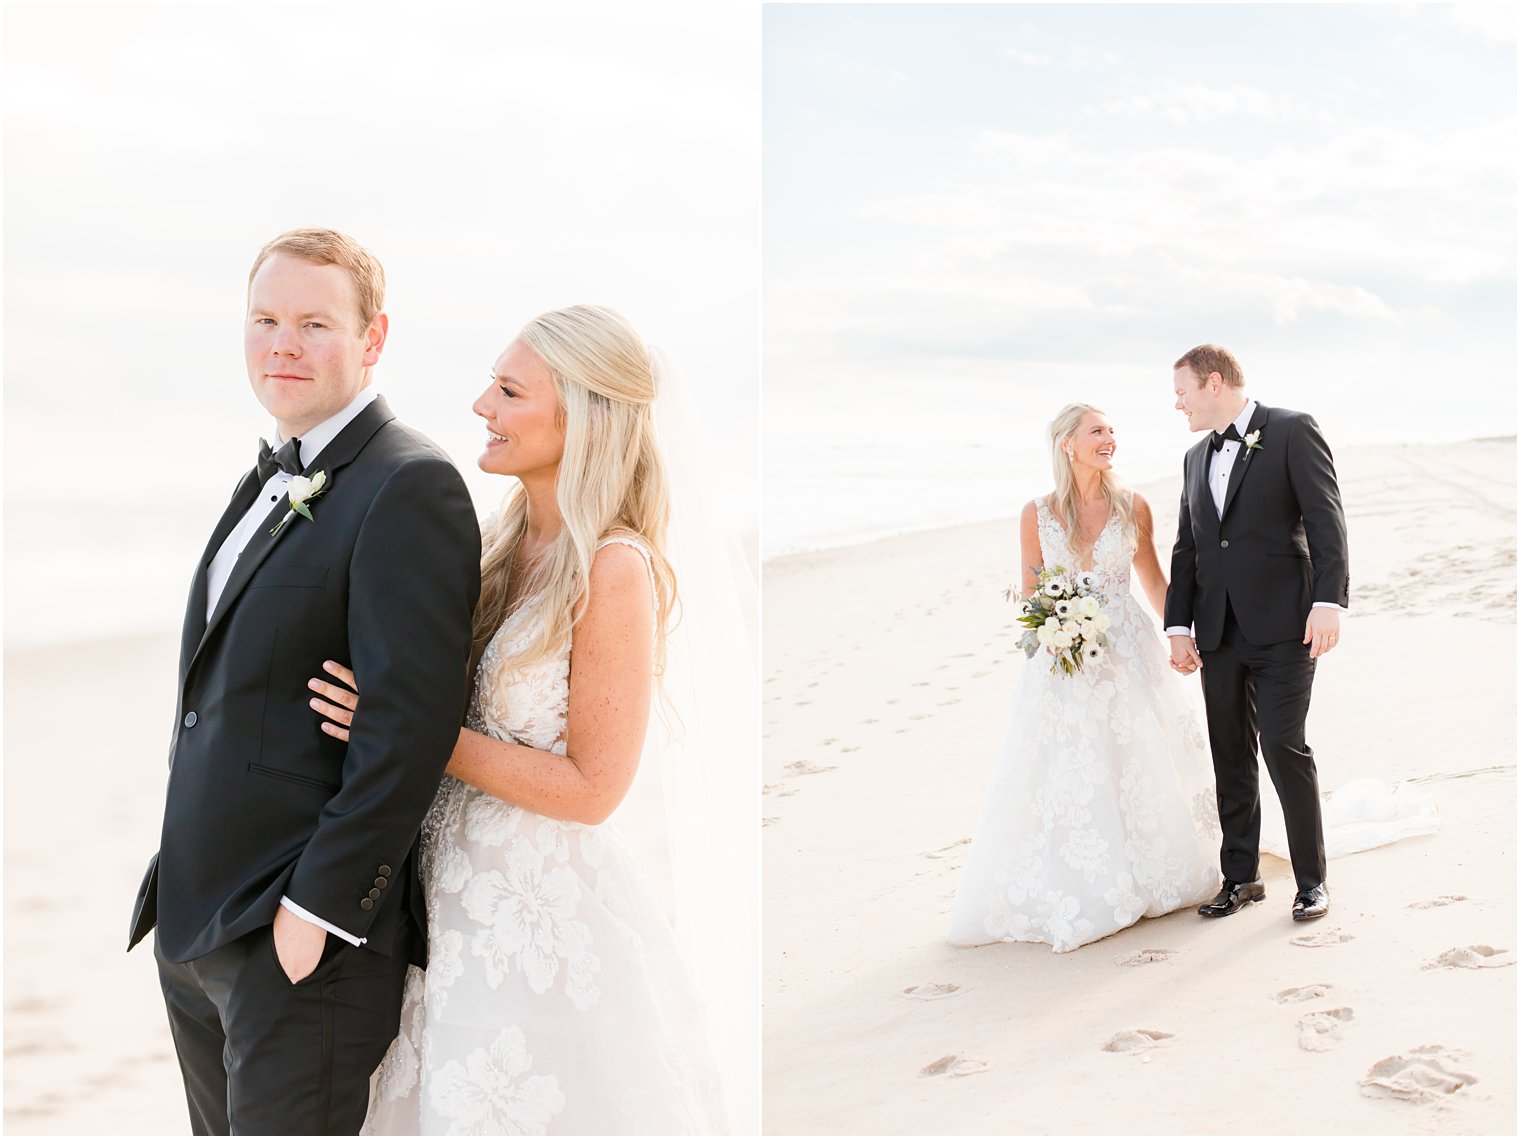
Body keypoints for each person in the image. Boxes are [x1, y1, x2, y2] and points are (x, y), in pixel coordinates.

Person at [306, 306, 729, 1134]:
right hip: (446, 913)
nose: (480, 407)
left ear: (587, 417)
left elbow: (594, 787)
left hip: (535, 928)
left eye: (508, 390)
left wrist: (404, 729)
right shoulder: (498, 544)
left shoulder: (615, 566)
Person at [127, 228, 482, 1134]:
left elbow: (409, 727)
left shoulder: (410, 484)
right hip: (198, 920)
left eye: (314, 322)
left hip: (296, 941)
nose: (282, 342)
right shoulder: (267, 476)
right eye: (265, 318)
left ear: (373, 338)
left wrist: (315, 910)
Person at [947, 403, 1219, 954]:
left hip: (1129, 654)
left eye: (1113, 431)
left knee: (1140, 757)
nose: (1109, 439)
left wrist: (1181, 635)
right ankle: (1090, 882)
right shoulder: (1037, 513)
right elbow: (1032, 595)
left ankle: (1158, 869)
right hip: (1064, 662)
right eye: (1098, 431)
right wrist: (1059, 630)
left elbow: (1153, 582)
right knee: (1076, 766)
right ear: (1067, 443)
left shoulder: (1132, 507)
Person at [1164, 344, 1349, 922]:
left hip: (1285, 625)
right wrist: (1177, 624)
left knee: (1283, 747)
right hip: (1218, 631)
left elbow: (1325, 519)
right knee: (1230, 755)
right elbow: (1189, 548)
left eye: (1183, 393)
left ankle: (1311, 881)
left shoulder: (1293, 430)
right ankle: (1241, 878)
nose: (1179, 405)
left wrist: (1329, 601)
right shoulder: (1196, 457)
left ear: (1213, 383)